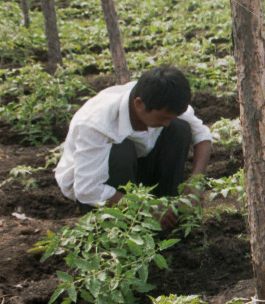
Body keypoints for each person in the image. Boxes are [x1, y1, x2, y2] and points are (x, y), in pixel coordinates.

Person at [55, 66, 212, 230]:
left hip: (136, 170)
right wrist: (143, 208)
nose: (165, 123)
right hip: (94, 190)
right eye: (163, 118)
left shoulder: (162, 98)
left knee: (179, 129)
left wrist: (196, 182)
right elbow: (88, 190)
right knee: (121, 150)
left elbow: (202, 136)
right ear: (138, 104)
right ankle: (127, 223)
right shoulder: (96, 122)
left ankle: (166, 210)